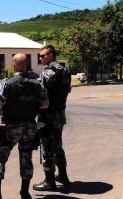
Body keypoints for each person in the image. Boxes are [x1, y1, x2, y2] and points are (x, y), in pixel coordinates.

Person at [0, 53, 48, 199]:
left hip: (10, 128)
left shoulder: (7, 82)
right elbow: (45, 104)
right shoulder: (37, 83)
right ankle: (25, 192)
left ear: (13, 65)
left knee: (0, 157)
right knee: (26, 158)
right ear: (26, 65)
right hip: (29, 128)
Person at [33, 45, 72, 191]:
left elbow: (40, 93)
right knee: (58, 146)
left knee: (47, 148)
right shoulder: (65, 71)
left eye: (42, 56)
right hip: (60, 114)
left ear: (50, 55)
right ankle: (63, 175)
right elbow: (67, 90)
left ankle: (49, 180)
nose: (40, 58)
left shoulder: (48, 72)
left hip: (48, 116)